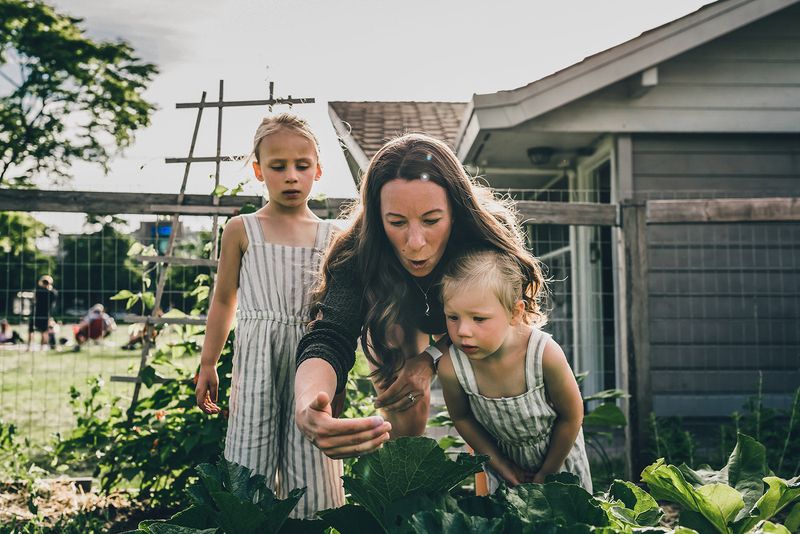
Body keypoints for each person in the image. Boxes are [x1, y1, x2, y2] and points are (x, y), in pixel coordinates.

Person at [294, 133, 545, 460]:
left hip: (471, 317)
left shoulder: (485, 240)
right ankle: (405, 484)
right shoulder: (357, 251)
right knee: (403, 393)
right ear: (377, 218)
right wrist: (307, 407)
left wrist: (430, 359)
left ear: (455, 211)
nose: (415, 242)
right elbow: (329, 336)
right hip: (399, 312)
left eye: (431, 220)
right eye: (396, 222)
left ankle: (493, 490)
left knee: (489, 380)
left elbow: (507, 324)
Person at [194, 113, 344, 518]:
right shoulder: (242, 229)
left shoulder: (333, 235)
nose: (291, 176)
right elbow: (224, 300)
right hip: (257, 361)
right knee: (250, 456)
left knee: (311, 458)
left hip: (311, 359)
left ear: (318, 169)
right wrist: (208, 362)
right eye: (278, 166)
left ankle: (314, 524)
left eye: (302, 165)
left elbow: (343, 310)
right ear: (259, 170)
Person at [436, 248, 592, 493]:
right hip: (503, 471)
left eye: (479, 319)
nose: (463, 330)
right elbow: (462, 418)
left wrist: (547, 474)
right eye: (453, 317)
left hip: (560, 465)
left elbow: (572, 416)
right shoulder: (452, 367)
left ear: (514, 313)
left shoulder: (544, 354)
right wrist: (502, 467)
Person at [27, 275, 57, 350]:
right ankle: (41, 348)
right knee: (44, 331)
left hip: (36, 313)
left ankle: (29, 347)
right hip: (45, 313)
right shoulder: (53, 293)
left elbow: (34, 299)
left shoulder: (38, 291)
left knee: (31, 330)